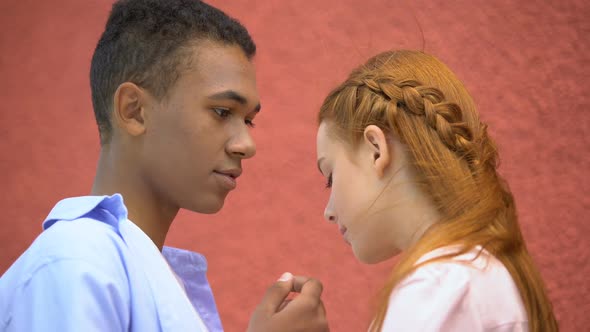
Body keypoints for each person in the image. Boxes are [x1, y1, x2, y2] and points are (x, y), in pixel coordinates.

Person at [0, 0, 328, 331]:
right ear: (134, 111)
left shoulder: (153, 272)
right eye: (222, 112)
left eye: (248, 121)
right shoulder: (76, 261)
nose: (246, 145)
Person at [316, 50, 558, 331]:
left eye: (330, 177)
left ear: (375, 150)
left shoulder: (440, 288)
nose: (328, 212)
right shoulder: (471, 275)